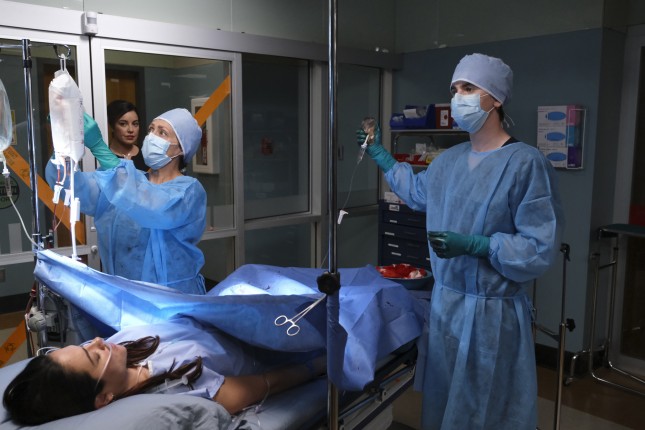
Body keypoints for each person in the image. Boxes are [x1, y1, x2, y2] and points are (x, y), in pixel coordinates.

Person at [358, 53, 564, 429]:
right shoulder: (449, 161)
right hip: (446, 309)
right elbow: (418, 192)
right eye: (454, 90)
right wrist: (381, 155)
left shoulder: (524, 163)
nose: (458, 98)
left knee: (488, 411)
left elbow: (538, 247)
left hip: (492, 317)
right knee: (444, 407)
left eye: (468, 88)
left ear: (496, 98)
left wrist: (479, 245)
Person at [2, 317, 326, 426]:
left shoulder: (121, 352)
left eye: (86, 344)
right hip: (274, 341)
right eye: (94, 355)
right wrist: (317, 366)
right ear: (104, 398)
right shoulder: (177, 389)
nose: (98, 341)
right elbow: (264, 384)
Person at [47, 108, 207, 294]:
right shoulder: (121, 184)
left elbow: (151, 205)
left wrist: (99, 147)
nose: (152, 136)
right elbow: (70, 185)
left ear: (181, 148)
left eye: (162, 132)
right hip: (123, 296)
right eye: (151, 129)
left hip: (172, 299)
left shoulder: (189, 192)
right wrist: (65, 142)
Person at [106, 99, 147, 171]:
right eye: (123, 124)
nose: (131, 130)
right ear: (112, 126)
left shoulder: (147, 155)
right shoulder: (104, 157)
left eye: (135, 124)